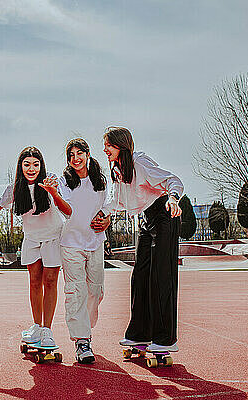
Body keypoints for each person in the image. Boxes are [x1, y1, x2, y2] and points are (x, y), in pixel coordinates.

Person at [92, 126, 184, 353]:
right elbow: (115, 201)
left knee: (162, 277)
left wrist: (173, 199)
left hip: (164, 216)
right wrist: (101, 214)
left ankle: (165, 339)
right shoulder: (118, 170)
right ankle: (139, 334)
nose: (104, 150)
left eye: (108, 145)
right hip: (146, 220)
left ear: (121, 145)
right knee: (140, 276)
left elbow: (173, 180)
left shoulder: (140, 164)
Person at [0, 146, 69, 347]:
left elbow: (66, 208)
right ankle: (37, 327)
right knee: (34, 282)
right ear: (20, 167)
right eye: (27, 164)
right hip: (31, 239)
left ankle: (47, 330)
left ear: (42, 166)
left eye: (36, 164)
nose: (32, 168)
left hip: (53, 238)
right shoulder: (14, 189)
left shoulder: (50, 181)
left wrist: (53, 191)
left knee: (50, 281)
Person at [58, 138, 112, 363]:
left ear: (88, 155)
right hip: (71, 243)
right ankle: (82, 341)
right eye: (71, 155)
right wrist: (53, 193)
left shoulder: (100, 180)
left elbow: (109, 205)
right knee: (76, 290)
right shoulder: (64, 182)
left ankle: (84, 326)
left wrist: (107, 219)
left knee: (96, 291)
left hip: (95, 241)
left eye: (79, 153)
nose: (75, 158)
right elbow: (66, 210)